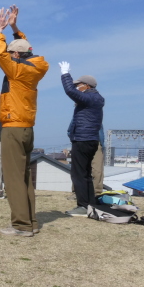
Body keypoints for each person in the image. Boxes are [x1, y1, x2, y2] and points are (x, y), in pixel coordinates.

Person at [0, 5, 49, 236]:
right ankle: (31, 222)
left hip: (13, 127)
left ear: (16, 55)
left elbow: (0, 54)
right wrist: (15, 28)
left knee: (14, 178)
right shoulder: (37, 67)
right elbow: (27, 48)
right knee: (24, 177)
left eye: (12, 52)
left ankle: (21, 225)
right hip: (27, 128)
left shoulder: (15, 70)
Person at [59, 62, 105, 216]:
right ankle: (90, 204)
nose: (77, 87)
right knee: (85, 174)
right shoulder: (96, 98)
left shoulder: (89, 98)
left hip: (83, 140)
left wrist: (65, 74)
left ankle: (83, 206)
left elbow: (70, 91)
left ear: (87, 85)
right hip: (90, 140)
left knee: (78, 174)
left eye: (78, 85)